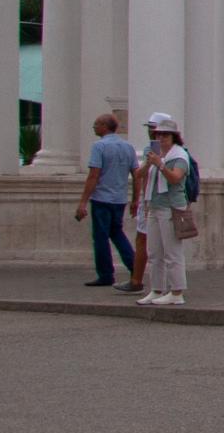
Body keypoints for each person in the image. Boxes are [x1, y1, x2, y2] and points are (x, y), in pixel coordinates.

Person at [74, 112, 139, 286]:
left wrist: (83, 201)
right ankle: (134, 267)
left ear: (104, 126)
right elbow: (136, 175)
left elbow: (94, 175)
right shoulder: (128, 147)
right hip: (119, 198)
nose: (94, 126)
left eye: (96, 123)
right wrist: (135, 199)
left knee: (101, 237)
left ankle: (105, 274)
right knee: (116, 232)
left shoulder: (99, 146)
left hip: (102, 198)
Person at [136, 113, 194, 306]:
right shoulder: (154, 153)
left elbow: (175, 178)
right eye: (158, 134)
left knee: (172, 252)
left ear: (173, 137)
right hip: (154, 206)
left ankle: (176, 292)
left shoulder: (179, 155)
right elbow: (139, 175)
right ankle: (156, 290)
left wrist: (160, 165)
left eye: (165, 135)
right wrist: (149, 162)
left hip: (171, 208)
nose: (160, 138)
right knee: (154, 253)